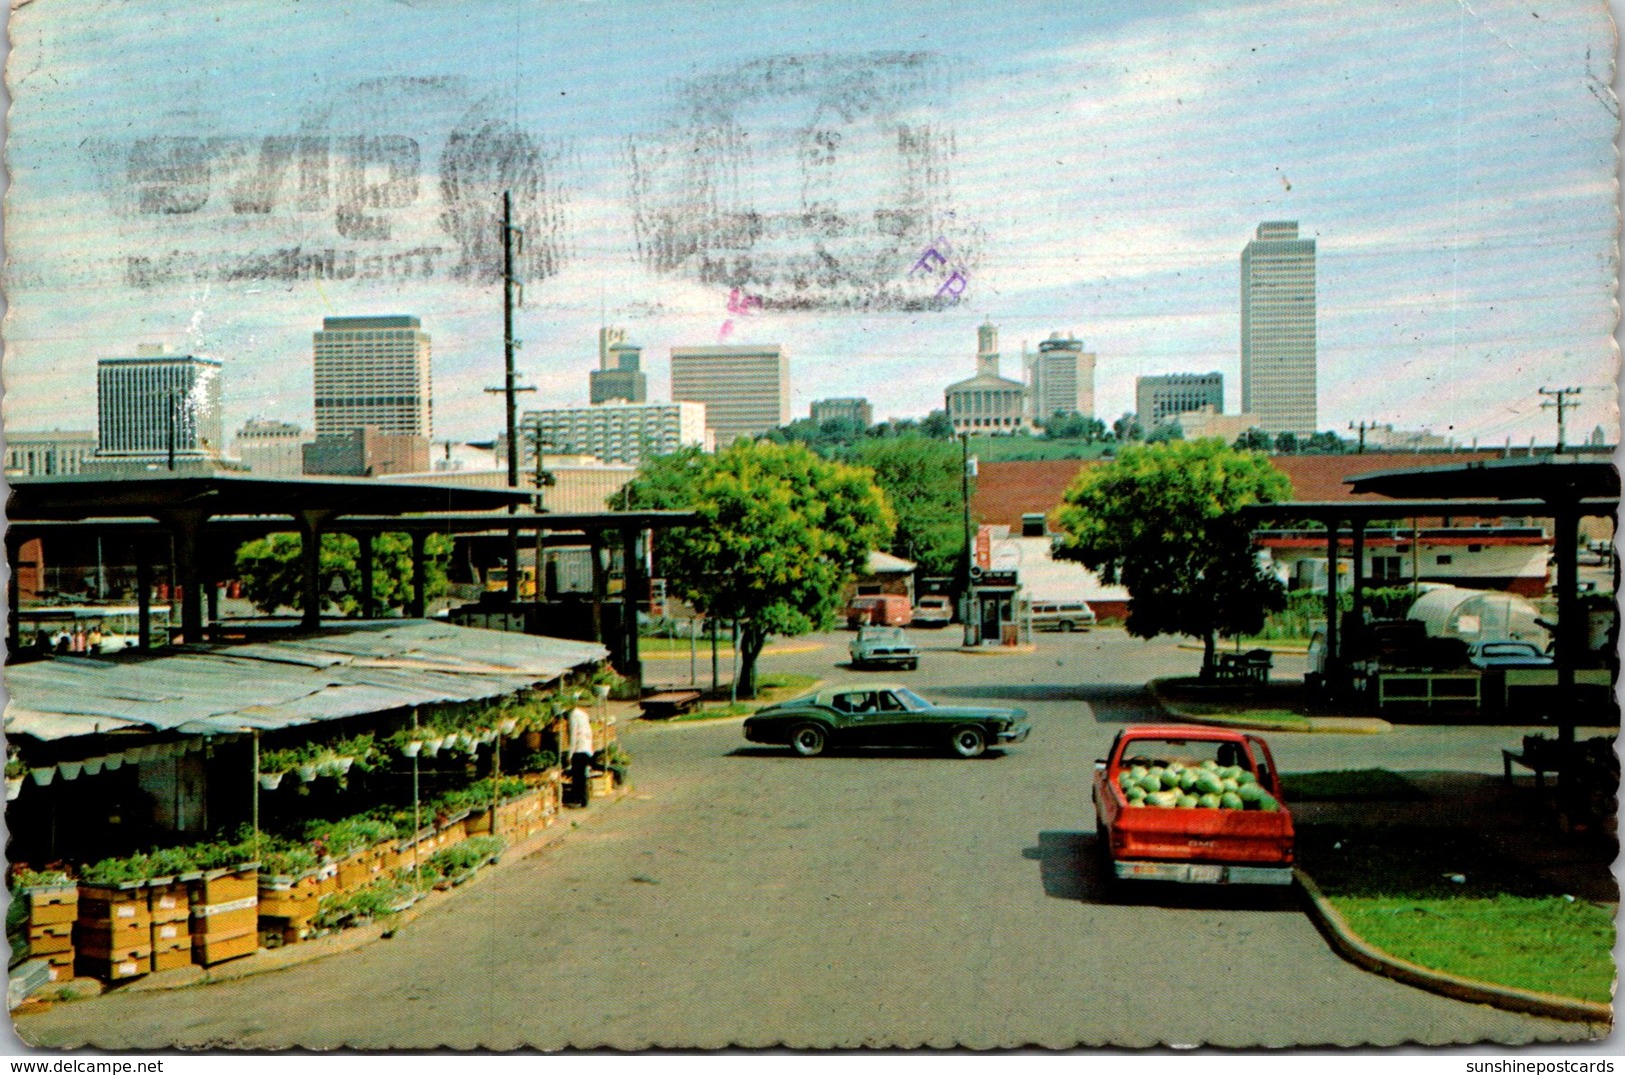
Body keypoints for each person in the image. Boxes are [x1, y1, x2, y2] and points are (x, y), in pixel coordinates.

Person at [565, 704, 594, 808]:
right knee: (582, 776)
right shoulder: (583, 714)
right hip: (586, 748)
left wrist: (570, 754)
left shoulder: (573, 716)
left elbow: (573, 736)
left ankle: (580, 799)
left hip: (579, 750)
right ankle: (583, 798)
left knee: (578, 777)